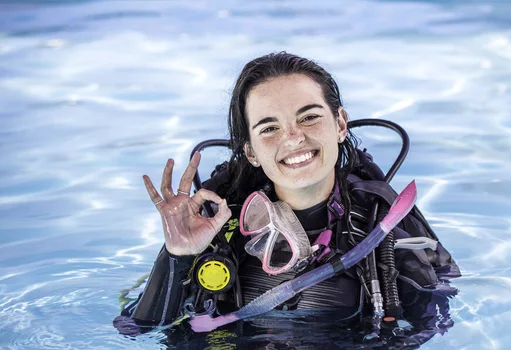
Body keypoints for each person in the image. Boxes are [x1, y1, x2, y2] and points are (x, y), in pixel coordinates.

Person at [114, 52, 460, 335]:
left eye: (308, 117)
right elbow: (139, 329)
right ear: (250, 151)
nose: (293, 138)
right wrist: (176, 255)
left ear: (340, 124)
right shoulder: (218, 227)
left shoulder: (383, 224)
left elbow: (428, 326)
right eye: (270, 128)